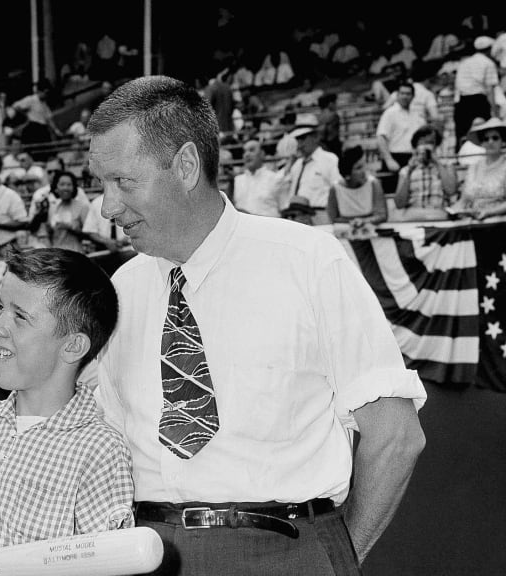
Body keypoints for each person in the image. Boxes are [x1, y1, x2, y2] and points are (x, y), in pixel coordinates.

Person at [87, 76, 426, 576]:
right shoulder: (123, 288)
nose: (107, 207)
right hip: (146, 554)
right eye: (101, 184)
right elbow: (106, 445)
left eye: (123, 182)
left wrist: (332, 560)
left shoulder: (308, 262)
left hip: (287, 552)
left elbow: (396, 437)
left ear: (184, 166)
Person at [0, 247, 134, 560]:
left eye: (20, 317)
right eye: (0, 308)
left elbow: (106, 565)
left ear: (72, 346)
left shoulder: (100, 449)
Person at [281, 113, 341, 224]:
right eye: (297, 139)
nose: (300, 144)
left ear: (316, 136)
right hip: (296, 217)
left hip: (319, 215)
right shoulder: (297, 164)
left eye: (303, 138)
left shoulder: (329, 159)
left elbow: (338, 190)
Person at [393, 125, 458, 220]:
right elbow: (399, 204)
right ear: (416, 146)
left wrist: (437, 162)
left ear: (436, 146)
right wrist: (410, 171)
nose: (427, 146)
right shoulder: (406, 170)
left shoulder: (447, 165)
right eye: (423, 142)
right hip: (412, 217)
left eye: (431, 143)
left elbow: (451, 191)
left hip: (438, 215)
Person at [449, 117, 506, 220]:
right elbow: (464, 200)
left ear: (503, 141)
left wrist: (489, 213)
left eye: (495, 138)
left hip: (500, 221)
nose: (490, 142)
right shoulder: (474, 167)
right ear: (481, 143)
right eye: (486, 139)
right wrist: (453, 211)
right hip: (474, 221)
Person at [453, 36, 499, 151]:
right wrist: (495, 114)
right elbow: (490, 90)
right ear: (489, 49)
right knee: (485, 133)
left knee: (462, 135)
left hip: (461, 102)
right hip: (478, 102)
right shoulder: (488, 63)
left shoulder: (464, 62)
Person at [326, 145, 387, 227]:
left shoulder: (373, 184)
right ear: (348, 174)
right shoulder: (335, 188)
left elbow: (381, 215)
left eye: (364, 165)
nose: (364, 171)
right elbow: (333, 218)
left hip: (370, 230)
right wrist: (352, 222)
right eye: (358, 168)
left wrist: (363, 221)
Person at [231, 137, 284, 217]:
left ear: (262, 154)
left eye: (252, 150)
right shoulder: (237, 181)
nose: (247, 154)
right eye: (244, 152)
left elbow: (283, 209)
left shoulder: (275, 178)